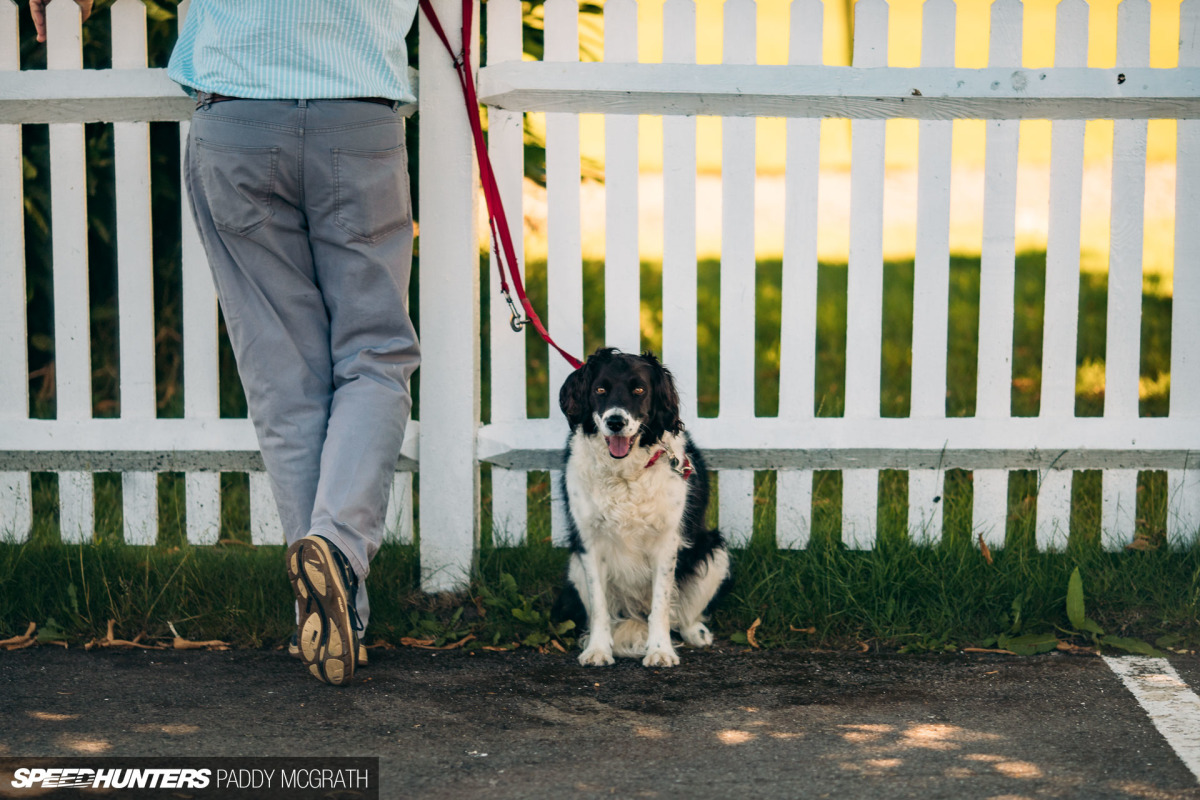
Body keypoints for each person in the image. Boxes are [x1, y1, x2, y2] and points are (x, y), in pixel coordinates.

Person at [32, 0, 422, 687]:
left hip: (239, 115)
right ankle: (336, 552)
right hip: (356, 115)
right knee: (375, 357)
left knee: (283, 374)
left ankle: (329, 613)